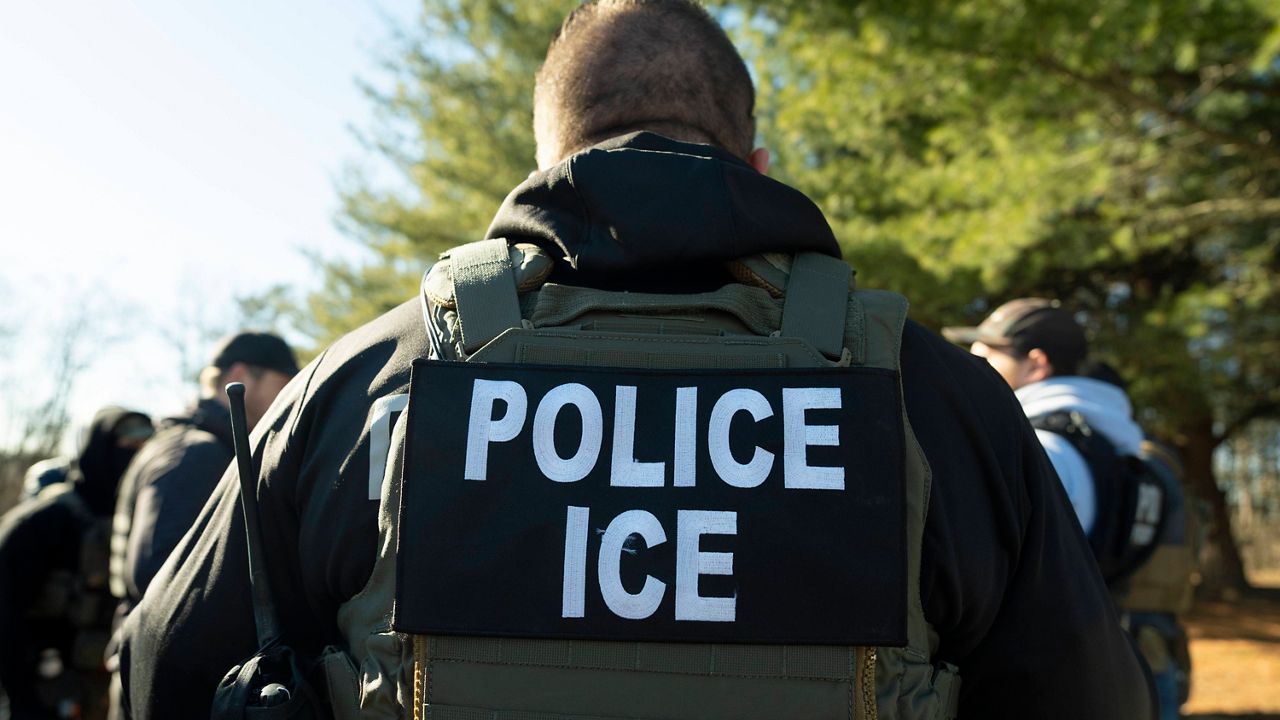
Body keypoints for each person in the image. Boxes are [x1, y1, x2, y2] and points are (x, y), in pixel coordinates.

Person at [120, 3, 1153, 718]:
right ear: (751, 165)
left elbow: (164, 669)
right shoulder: (938, 399)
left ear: (545, 164)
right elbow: (1083, 696)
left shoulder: (359, 383)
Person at [945, 301, 1183, 719]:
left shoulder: (1042, 448)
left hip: (1042, 684)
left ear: (1036, 365)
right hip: (1117, 667)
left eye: (984, 355)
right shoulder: (1111, 440)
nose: (971, 364)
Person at [103, 331, 297, 718]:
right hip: (162, 683)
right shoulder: (194, 453)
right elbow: (160, 582)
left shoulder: (186, 444)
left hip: (154, 670)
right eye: (283, 387)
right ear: (240, 374)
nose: (287, 402)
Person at [0, 406, 152, 720]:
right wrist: (24, 695)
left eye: (144, 446)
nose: (135, 456)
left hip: (110, 685)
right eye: (126, 444)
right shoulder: (46, 519)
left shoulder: (146, 517)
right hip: (45, 689)